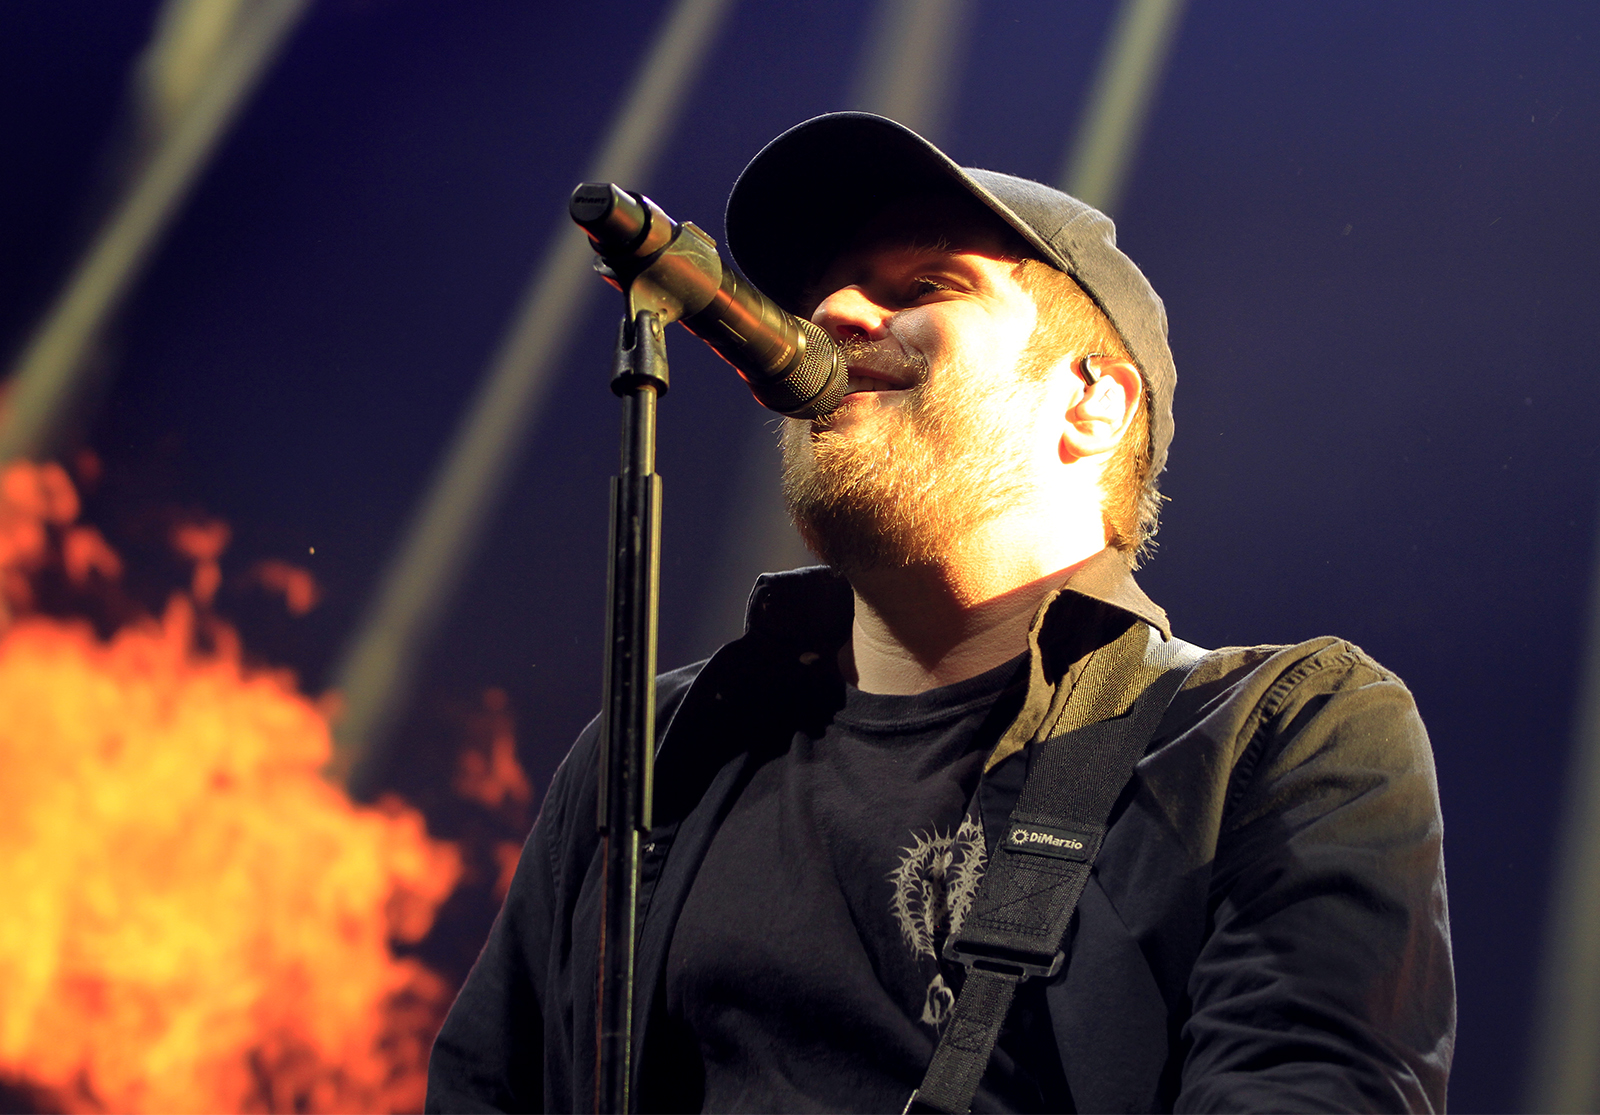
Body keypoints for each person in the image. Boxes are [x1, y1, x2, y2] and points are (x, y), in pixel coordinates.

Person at [425, 113, 1454, 1113]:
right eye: (824, 291)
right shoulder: (656, 749)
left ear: (1092, 404)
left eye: (923, 285)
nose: (834, 312)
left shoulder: (1283, 736)